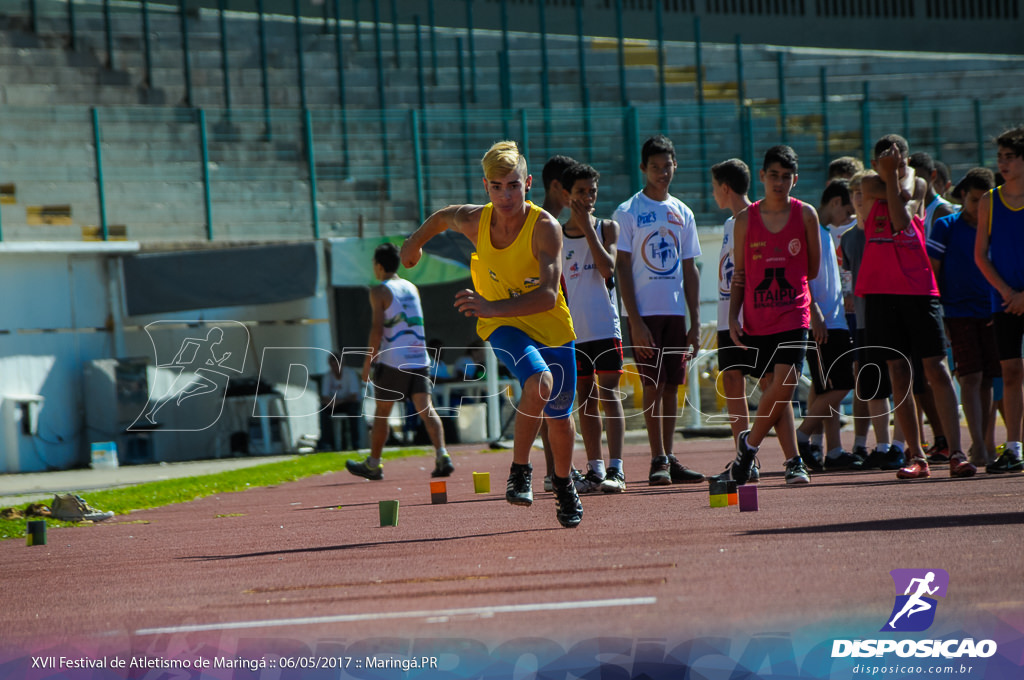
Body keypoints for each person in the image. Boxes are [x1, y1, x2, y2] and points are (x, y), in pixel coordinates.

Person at [400, 140, 584, 528]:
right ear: (486, 186)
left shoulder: (545, 228)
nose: (505, 195)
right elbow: (440, 218)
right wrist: (414, 243)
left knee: (560, 418)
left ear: (528, 183)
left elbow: (549, 296)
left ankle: (565, 485)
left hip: (549, 324)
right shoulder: (474, 220)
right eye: (497, 187)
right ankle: (520, 471)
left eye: (513, 186)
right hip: (502, 325)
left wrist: (489, 306)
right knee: (540, 380)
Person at [856, 134, 975, 479]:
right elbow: (885, 196)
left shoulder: (918, 184)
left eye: (899, 160)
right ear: (875, 162)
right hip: (880, 290)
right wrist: (892, 179)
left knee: (936, 367)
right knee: (898, 373)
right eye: (886, 161)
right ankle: (917, 454)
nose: (894, 166)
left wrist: (894, 178)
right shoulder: (867, 182)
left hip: (919, 288)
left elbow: (901, 221)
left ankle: (955, 451)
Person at [720, 144, 821, 485]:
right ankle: (791, 461)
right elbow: (740, 275)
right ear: (762, 176)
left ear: (795, 179)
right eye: (773, 176)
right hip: (757, 317)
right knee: (773, 390)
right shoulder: (745, 220)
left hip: (794, 313)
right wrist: (733, 317)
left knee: (787, 381)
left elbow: (813, 269)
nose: (780, 183)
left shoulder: (805, 214)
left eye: (786, 177)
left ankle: (748, 448)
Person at [614, 135, 705, 486]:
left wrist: (695, 322)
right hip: (644, 315)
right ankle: (656, 459)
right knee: (653, 385)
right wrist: (634, 321)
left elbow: (690, 268)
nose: (662, 173)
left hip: (674, 314)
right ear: (643, 169)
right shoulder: (628, 211)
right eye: (655, 167)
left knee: (672, 387)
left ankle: (668, 456)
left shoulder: (683, 212)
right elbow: (622, 266)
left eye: (667, 166)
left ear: (675, 165)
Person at [345, 243, 453, 480]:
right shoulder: (411, 287)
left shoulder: (379, 290)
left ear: (379, 265)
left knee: (382, 413)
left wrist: (367, 365)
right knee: (426, 409)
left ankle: (373, 464)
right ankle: (442, 454)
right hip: (419, 357)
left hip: (394, 359)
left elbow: (377, 330)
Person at [559, 161, 627, 494]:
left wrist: (587, 228)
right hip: (574, 332)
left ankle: (617, 468)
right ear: (566, 195)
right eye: (580, 192)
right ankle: (595, 468)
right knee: (584, 398)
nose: (587, 198)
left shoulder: (606, 228)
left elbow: (606, 269)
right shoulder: (555, 234)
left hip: (604, 327)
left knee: (609, 394)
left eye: (592, 192)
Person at [927, 167, 1000, 468]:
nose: (978, 206)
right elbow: (933, 269)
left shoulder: (997, 225)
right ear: (962, 196)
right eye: (973, 200)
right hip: (958, 311)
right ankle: (979, 445)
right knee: (969, 377)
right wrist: (939, 311)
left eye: (985, 200)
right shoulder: (946, 225)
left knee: (990, 380)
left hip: (994, 309)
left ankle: (987, 442)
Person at [796, 180, 859, 470]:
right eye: (847, 210)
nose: (849, 217)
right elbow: (800, 274)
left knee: (827, 388)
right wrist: (815, 311)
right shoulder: (810, 230)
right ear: (834, 202)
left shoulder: (825, 233)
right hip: (823, 322)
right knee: (843, 383)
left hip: (835, 319)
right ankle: (802, 433)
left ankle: (833, 450)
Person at [841, 170, 901, 468]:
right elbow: (849, 279)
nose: (860, 199)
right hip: (864, 321)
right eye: (855, 195)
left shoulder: (889, 228)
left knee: (900, 382)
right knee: (871, 386)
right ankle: (883, 445)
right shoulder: (850, 238)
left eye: (864, 194)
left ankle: (902, 445)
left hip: (891, 318)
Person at [974, 126, 1024, 474]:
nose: (1003, 163)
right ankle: (1015, 445)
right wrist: (1008, 293)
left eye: (1010, 157)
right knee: (1010, 372)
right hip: (1004, 301)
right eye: (1000, 157)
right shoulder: (990, 200)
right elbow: (981, 255)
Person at [709, 158, 758, 481]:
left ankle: (791, 456)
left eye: (715, 188)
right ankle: (743, 457)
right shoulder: (730, 224)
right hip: (728, 318)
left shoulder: (757, 219)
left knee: (769, 384)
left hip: (754, 318)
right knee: (731, 383)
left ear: (725, 188)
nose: (713, 195)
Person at [537, 155, 577, 492]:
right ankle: (554, 471)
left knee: (553, 397)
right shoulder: (543, 224)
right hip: (539, 321)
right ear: (555, 187)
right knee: (550, 397)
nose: (577, 195)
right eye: (571, 189)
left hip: (553, 319)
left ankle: (556, 470)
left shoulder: (555, 223)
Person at [319, 353, 363, 451]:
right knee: (323, 409)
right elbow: (324, 396)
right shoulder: (327, 376)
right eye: (333, 365)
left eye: (337, 365)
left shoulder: (350, 374)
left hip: (349, 402)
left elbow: (354, 396)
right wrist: (331, 403)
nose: (335, 368)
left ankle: (355, 442)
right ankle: (327, 443)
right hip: (334, 404)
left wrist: (340, 401)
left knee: (353, 410)